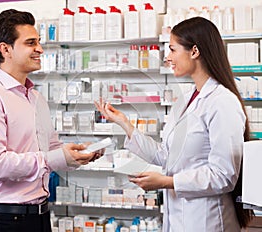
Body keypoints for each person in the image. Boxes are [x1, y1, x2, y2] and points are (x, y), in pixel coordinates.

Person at [95, 17, 254, 231]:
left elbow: (224, 176)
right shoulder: (186, 99)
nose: (167, 57)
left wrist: (167, 182)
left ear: (194, 51)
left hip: (208, 221)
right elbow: (167, 156)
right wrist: (124, 123)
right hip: (178, 219)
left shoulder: (221, 102)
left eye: (172, 49)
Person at [0, 9, 102, 232]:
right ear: (5, 49)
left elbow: (50, 149)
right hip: (4, 220)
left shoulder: (35, 97)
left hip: (39, 217)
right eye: (30, 43)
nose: (39, 49)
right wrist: (52, 158)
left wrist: (77, 156)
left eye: (38, 41)